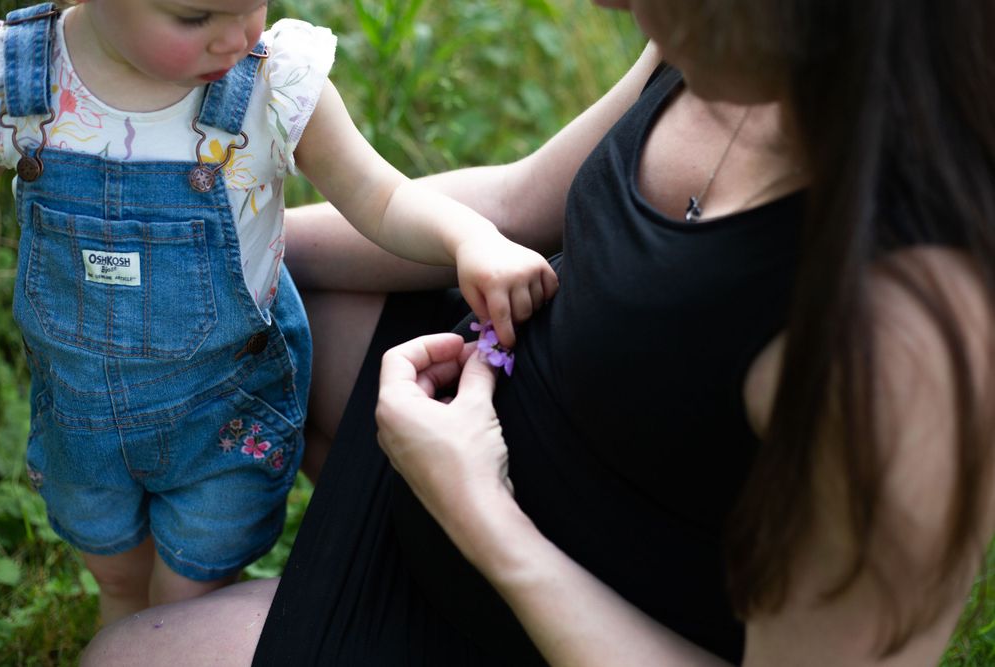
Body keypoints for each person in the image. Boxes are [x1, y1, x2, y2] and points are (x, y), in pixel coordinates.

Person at [81, 0, 995, 665]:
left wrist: (478, 511)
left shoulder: (906, 342)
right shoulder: (743, 43)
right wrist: (217, 252)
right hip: (485, 446)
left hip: (548, 617)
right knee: (278, 312)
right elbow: (521, 200)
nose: (607, 6)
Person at [0, 0, 557, 625]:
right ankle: (123, 616)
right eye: (195, 18)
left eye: (252, 5)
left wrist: (469, 238)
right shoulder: (20, 78)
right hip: (80, 420)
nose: (235, 37)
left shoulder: (269, 88)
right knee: (115, 570)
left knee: (189, 593)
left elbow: (382, 197)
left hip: (222, 415)